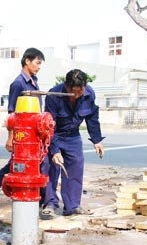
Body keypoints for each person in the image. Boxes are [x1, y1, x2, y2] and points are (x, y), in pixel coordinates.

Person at [41, 69, 105, 219]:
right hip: (54, 134)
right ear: (66, 86)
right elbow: (50, 126)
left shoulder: (89, 94)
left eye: (80, 91)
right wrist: (55, 150)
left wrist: (96, 140)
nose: (76, 95)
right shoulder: (54, 96)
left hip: (73, 136)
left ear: (84, 86)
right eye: (73, 92)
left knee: (75, 166)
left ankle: (72, 206)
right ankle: (50, 203)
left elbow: (92, 118)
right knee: (50, 167)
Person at [0, 47, 46, 197]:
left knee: (30, 162)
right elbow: (12, 113)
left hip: (34, 132)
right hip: (22, 133)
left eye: (40, 64)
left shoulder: (34, 82)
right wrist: (11, 137)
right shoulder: (18, 84)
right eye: (37, 63)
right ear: (27, 61)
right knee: (19, 163)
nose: (39, 67)